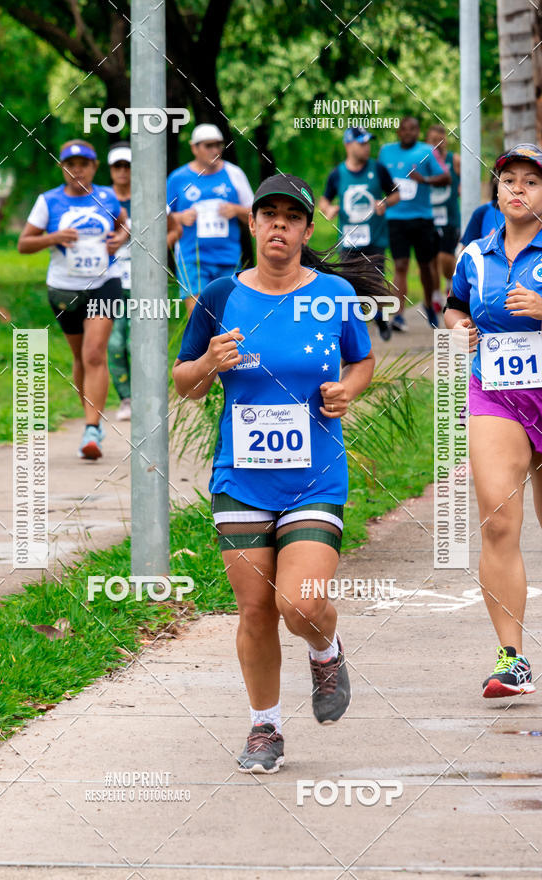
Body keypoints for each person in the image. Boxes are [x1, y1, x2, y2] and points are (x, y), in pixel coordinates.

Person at [173, 174, 382, 773]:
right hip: (241, 478)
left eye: (292, 218)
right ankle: (265, 727)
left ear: (307, 230)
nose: (279, 226)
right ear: (253, 224)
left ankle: (325, 648)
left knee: (300, 604)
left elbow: (362, 358)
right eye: (269, 215)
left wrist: (347, 390)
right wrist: (208, 362)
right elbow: (184, 383)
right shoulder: (219, 295)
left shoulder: (335, 294)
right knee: (256, 610)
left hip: (315, 476)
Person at [444, 143, 542, 698]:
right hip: (497, 392)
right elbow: (454, 305)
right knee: (499, 521)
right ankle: (512, 659)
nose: (518, 189)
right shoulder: (475, 254)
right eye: (509, 180)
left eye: (531, 181)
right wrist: (457, 328)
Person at [18, 139, 129, 459]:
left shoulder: (107, 197)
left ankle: (92, 429)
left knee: (94, 353)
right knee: (80, 357)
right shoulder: (48, 202)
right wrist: (54, 237)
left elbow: (124, 225)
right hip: (64, 289)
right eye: (71, 164)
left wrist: (119, 238)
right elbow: (23, 244)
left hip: (104, 282)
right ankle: (91, 419)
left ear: (94, 167)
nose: (77, 170)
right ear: (62, 168)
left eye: (84, 164)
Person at [319, 126, 399, 341]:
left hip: (375, 237)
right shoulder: (337, 174)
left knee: (375, 281)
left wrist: (385, 203)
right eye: (362, 143)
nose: (367, 147)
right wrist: (328, 209)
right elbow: (324, 200)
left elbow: (396, 194)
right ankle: (352, 328)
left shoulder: (378, 169)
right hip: (349, 239)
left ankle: (380, 318)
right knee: (348, 284)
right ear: (348, 145)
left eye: (368, 142)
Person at [166, 124, 254, 315]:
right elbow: (159, 216)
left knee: (228, 318)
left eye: (218, 145)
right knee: (199, 317)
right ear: (194, 148)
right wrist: (180, 217)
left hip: (228, 258)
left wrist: (236, 210)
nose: (215, 150)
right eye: (208, 145)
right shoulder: (178, 178)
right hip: (192, 258)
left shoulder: (234, 174)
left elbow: (256, 214)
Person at [379, 116, 451, 330]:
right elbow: (379, 179)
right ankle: (399, 315)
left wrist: (424, 180)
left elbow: (446, 177)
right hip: (395, 218)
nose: (408, 132)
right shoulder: (386, 151)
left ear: (418, 132)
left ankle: (428, 304)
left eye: (413, 129)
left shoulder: (427, 151)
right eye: (404, 129)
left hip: (422, 218)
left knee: (425, 266)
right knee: (400, 265)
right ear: (398, 132)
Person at [106, 141, 133, 422]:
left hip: (142, 283)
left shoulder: (148, 197)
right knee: (114, 344)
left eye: (128, 166)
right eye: (118, 166)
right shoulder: (100, 199)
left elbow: (172, 229)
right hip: (110, 282)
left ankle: (146, 395)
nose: (123, 171)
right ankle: (126, 398)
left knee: (137, 343)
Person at [426, 124, 461, 312]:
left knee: (445, 256)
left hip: (450, 217)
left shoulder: (454, 160)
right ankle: (435, 295)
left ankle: (449, 282)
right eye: (433, 141)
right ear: (427, 141)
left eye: (440, 141)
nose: (437, 145)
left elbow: (467, 179)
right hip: (428, 217)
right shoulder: (423, 161)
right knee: (431, 259)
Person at [460, 173, 505, 248]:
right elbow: (465, 252)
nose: (517, 188)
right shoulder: (482, 212)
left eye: (526, 181)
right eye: (509, 181)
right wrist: (482, 248)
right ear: (496, 182)